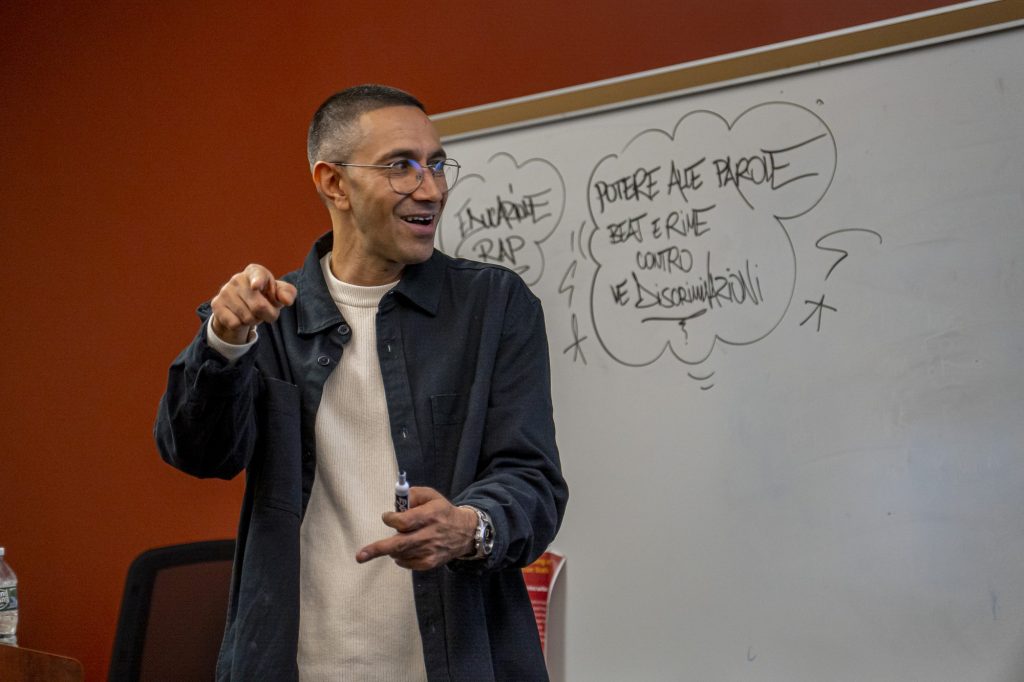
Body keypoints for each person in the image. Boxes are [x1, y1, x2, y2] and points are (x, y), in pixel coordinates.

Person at [154, 84, 568, 681]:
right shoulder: (273, 320)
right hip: (300, 665)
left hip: (456, 662)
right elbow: (199, 452)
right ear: (334, 183)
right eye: (401, 166)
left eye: (436, 164)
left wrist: (469, 527)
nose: (431, 189)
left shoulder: (496, 306)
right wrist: (223, 342)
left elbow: (533, 480)